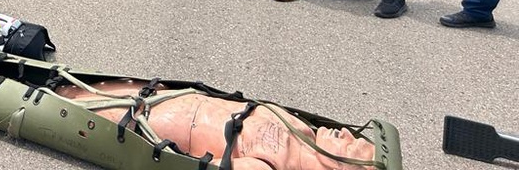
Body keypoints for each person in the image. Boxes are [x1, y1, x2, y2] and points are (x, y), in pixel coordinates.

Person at [56, 80, 376, 170]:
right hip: (172, 97)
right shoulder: (301, 129)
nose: (346, 132)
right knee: (76, 87)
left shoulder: (269, 165)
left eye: (351, 145)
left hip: (160, 121)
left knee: (69, 101)